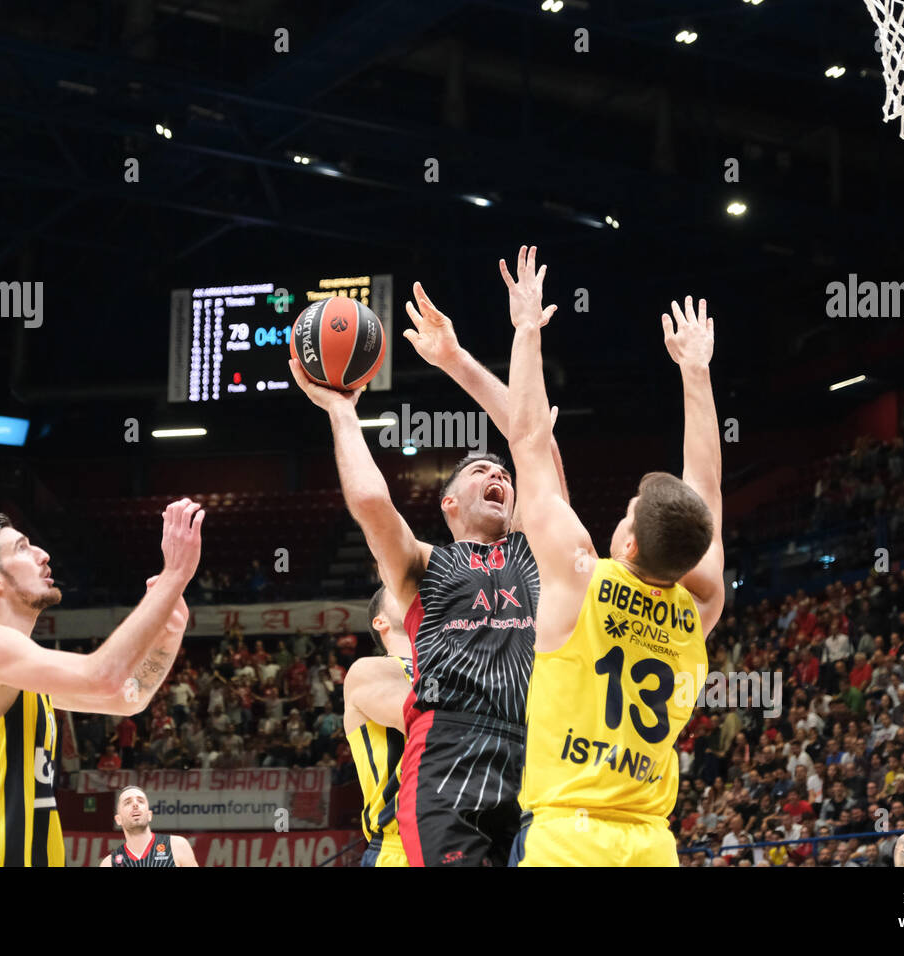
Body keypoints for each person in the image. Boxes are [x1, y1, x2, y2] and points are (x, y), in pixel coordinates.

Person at [289, 250, 570, 867]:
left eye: (502, 473)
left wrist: (468, 355)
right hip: (451, 750)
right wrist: (341, 410)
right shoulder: (426, 564)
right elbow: (369, 502)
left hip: (539, 750)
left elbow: (534, 445)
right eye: (479, 471)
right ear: (448, 504)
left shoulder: (534, 551)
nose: (497, 472)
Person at [505, 279, 724, 867]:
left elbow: (527, 441)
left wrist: (527, 331)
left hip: (565, 838)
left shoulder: (580, 578)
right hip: (652, 843)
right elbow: (707, 490)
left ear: (627, 540)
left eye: (628, 510)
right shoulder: (701, 604)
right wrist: (695, 373)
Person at [0, 500, 201, 867]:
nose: (42, 554)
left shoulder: (21, 673)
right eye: (22, 547)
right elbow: (101, 677)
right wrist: (174, 575)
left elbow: (126, 698)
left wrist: (168, 636)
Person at [343, 587, 415, 867]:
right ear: (380, 621)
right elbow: (431, 724)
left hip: (470, 839)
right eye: (404, 590)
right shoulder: (368, 671)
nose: (417, 592)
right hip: (400, 847)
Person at [100, 786, 197, 867]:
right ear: (118, 819)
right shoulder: (109, 863)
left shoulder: (177, 846)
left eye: (140, 801)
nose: (135, 804)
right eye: (127, 802)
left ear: (149, 815)